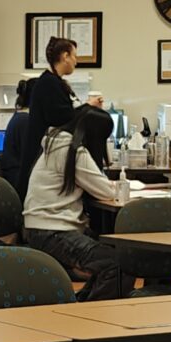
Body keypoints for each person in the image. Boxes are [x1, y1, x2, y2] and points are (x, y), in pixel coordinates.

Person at [22, 107, 129, 301]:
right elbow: (105, 191)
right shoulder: (73, 151)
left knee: (110, 255)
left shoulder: (56, 143)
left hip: (41, 227)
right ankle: (95, 314)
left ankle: (82, 304)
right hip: (54, 230)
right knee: (119, 264)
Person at [8, 35, 103, 194]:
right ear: (65, 56)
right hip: (40, 161)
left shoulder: (51, 82)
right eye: (74, 56)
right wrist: (89, 106)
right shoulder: (49, 84)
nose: (76, 62)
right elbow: (63, 119)